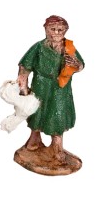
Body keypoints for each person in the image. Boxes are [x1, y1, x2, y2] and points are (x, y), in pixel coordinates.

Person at [16, 15, 84, 167]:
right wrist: (23, 86)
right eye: (53, 29)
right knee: (37, 112)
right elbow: (25, 65)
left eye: (60, 30)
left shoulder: (69, 48)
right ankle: (33, 142)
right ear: (46, 29)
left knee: (58, 114)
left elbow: (80, 65)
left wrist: (76, 64)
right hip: (41, 85)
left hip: (60, 88)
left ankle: (56, 147)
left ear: (65, 31)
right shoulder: (39, 47)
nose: (56, 33)